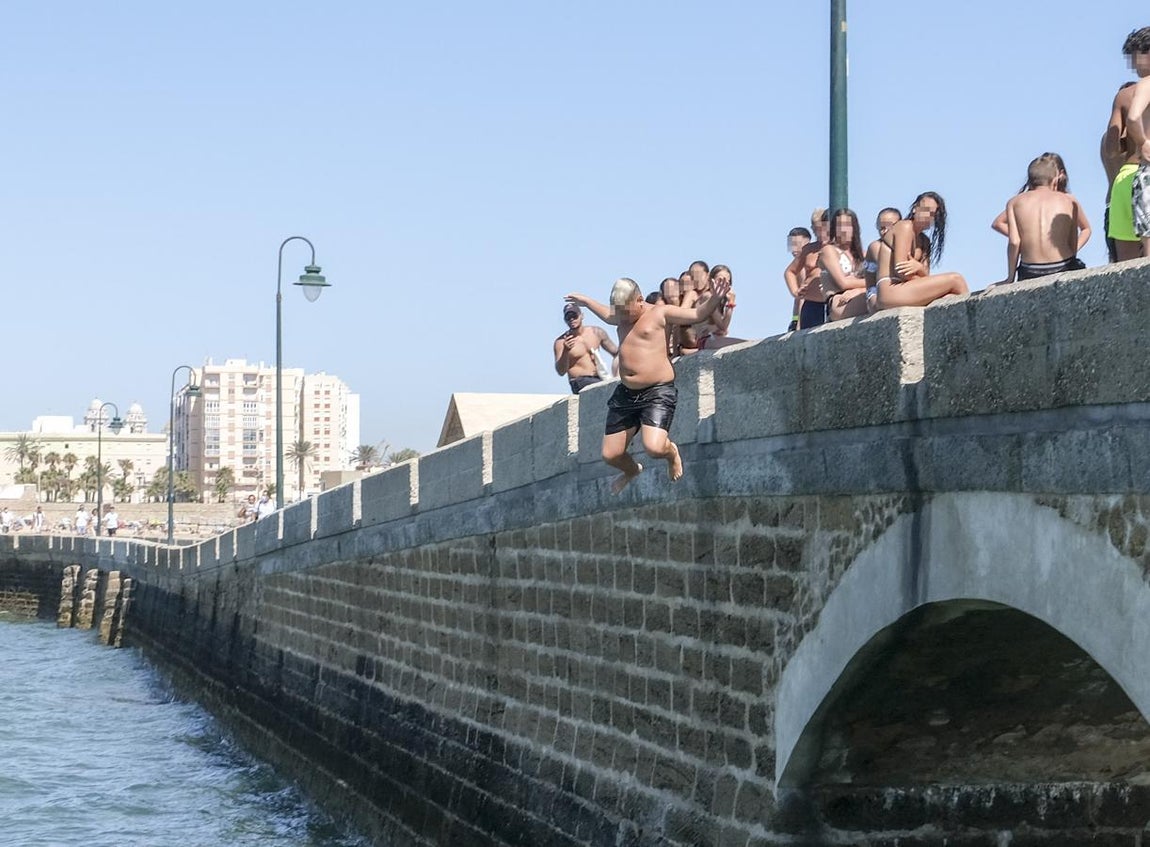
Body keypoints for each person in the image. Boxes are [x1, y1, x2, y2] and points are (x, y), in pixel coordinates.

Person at [564, 274, 732, 494]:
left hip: (657, 391)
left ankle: (671, 452)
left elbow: (697, 313)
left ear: (639, 299)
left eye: (626, 310)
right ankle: (632, 470)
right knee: (611, 454)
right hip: (626, 393)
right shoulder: (621, 316)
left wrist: (715, 298)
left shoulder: (659, 313)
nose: (622, 316)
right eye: (619, 311)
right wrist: (585, 301)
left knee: (654, 447)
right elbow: (606, 314)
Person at [999, 155, 1091, 283]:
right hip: (1064, 265)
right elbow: (1073, 237)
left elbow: (1014, 242)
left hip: (1030, 270)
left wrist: (1010, 277)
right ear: (1055, 179)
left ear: (1030, 180)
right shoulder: (1069, 200)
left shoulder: (1014, 202)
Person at [1102, 28, 1150, 262]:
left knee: (1126, 266)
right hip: (1144, 176)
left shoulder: (1125, 95)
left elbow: (1111, 148)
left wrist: (1135, 143)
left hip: (1127, 177)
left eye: (1134, 57)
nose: (1132, 65)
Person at [875, 192, 969, 310]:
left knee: (950, 296)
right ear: (915, 209)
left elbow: (926, 275)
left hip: (907, 288)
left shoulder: (925, 241)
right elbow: (901, 271)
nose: (927, 216)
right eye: (925, 210)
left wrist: (919, 267)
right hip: (890, 290)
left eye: (932, 214)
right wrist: (924, 276)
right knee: (956, 280)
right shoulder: (905, 227)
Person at [554, 303, 619, 394]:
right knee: (606, 391)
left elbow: (617, 353)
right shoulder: (561, 342)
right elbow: (561, 371)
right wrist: (566, 351)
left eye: (574, 315)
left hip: (599, 378)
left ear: (582, 316)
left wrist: (617, 377)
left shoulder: (596, 332)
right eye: (568, 317)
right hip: (579, 381)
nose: (571, 319)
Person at [819, 208, 869, 321]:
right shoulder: (829, 251)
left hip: (860, 295)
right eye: (839, 225)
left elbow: (878, 280)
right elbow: (843, 283)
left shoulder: (864, 254)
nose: (843, 230)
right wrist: (869, 283)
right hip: (839, 301)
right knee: (881, 297)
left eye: (847, 225)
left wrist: (858, 290)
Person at [785, 209, 831, 329]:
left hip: (832, 301)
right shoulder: (808, 250)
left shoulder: (839, 248)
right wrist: (795, 291)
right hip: (811, 304)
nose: (819, 233)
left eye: (822, 228)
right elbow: (789, 272)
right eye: (816, 229)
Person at [1127, 41, 1150, 256]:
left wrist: (1143, 142)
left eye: (1135, 58)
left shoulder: (1146, 83)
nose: (1134, 66)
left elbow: (1133, 117)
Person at [863, 208, 901, 313]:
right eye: (881, 228)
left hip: (896, 288)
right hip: (876, 293)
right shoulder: (876, 246)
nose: (885, 231)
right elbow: (893, 269)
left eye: (890, 226)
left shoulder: (903, 244)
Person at [784, 227, 812, 331]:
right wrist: (794, 320)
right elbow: (797, 299)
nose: (794, 249)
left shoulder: (804, 266)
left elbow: (803, 297)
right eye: (791, 245)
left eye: (797, 245)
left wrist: (799, 324)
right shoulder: (796, 266)